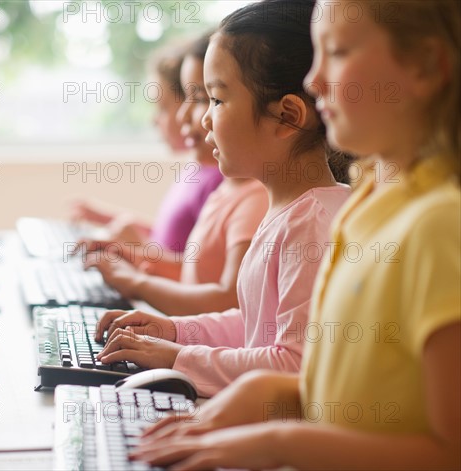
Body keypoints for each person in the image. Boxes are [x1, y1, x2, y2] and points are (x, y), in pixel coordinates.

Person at [132, 1, 461, 470]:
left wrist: (279, 442)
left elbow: (451, 453)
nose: (313, 80)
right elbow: (332, 378)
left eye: (338, 51)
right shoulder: (368, 203)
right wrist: (264, 391)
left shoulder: (441, 225)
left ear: (426, 64)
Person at [94, 0, 351, 396]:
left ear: (286, 116)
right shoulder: (291, 210)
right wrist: (176, 331)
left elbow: (293, 365)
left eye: (216, 99)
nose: (203, 119)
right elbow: (255, 327)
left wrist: (176, 358)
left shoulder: (311, 223)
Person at [84, 34, 270, 316]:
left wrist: (137, 281)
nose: (190, 116)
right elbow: (196, 271)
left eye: (208, 100)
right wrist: (134, 258)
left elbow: (229, 302)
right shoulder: (227, 189)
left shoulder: (249, 196)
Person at [71, 39, 223, 258]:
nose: (154, 121)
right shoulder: (195, 169)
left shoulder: (219, 180)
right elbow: (170, 240)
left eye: (162, 108)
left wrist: (137, 248)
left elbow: (199, 271)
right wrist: (108, 220)